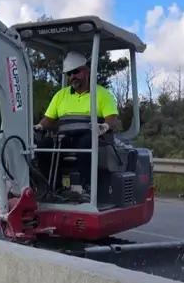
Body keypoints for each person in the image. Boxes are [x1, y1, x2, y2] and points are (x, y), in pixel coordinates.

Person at [33, 51, 120, 186]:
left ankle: (86, 187)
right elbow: (48, 119)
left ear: (86, 71)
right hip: (64, 138)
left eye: (75, 72)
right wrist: (39, 126)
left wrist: (104, 126)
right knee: (43, 147)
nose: (72, 76)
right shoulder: (61, 95)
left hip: (89, 136)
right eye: (69, 74)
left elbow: (112, 119)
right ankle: (52, 187)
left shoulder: (102, 94)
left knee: (85, 145)